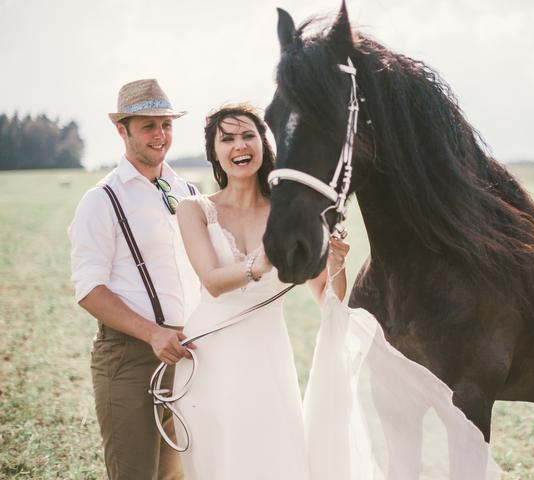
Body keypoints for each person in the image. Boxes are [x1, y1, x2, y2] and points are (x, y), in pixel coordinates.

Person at [172, 103, 349, 479]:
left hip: (268, 354)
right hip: (210, 354)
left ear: (264, 144)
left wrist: (335, 262)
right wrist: (263, 260)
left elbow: (327, 295)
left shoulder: (289, 214)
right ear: (214, 152)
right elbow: (212, 281)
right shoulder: (194, 209)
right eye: (227, 139)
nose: (239, 145)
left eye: (248, 135)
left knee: (274, 457)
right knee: (220, 461)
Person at [68, 78, 200, 480]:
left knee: (176, 475)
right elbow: (89, 290)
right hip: (128, 357)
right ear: (122, 130)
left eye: (166, 125)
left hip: (185, 356)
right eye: (148, 126)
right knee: (135, 473)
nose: (160, 135)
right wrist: (153, 334)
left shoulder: (188, 191)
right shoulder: (102, 199)